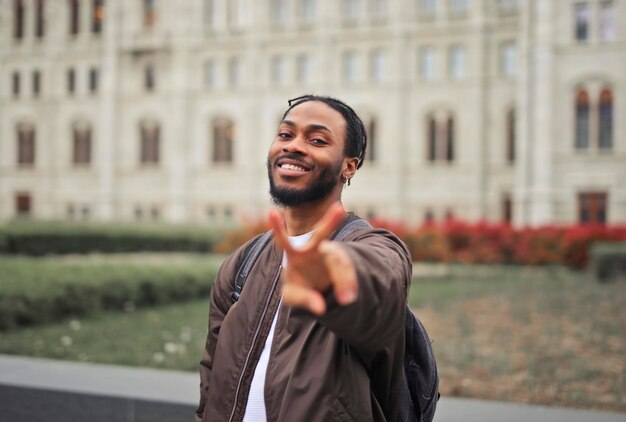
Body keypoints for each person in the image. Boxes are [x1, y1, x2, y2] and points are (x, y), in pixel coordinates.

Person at [196, 95, 412, 422]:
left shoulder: (374, 246)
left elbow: (380, 283)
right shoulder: (243, 262)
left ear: (349, 166)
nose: (293, 146)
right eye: (285, 135)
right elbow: (212, 377)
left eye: (317, 140)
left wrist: (332, 276)